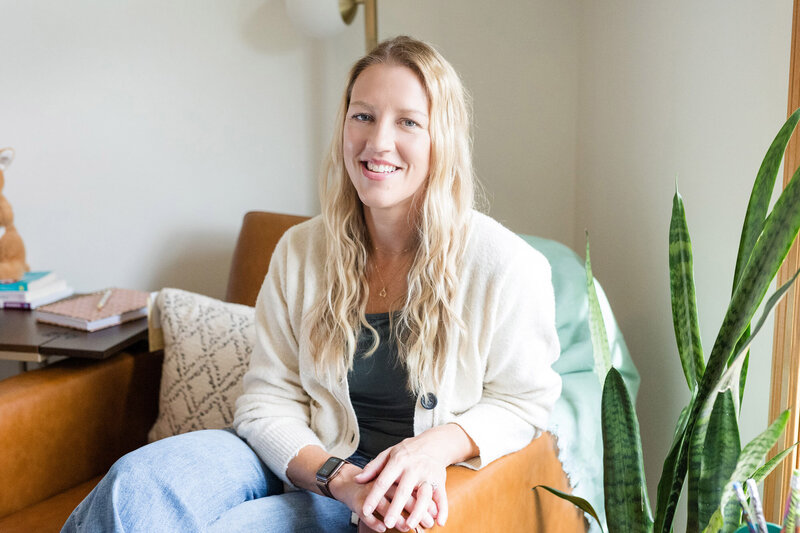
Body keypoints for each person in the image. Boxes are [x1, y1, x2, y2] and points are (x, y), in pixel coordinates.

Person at [62, 35, 561, 533]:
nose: (378, 142)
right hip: (301, 461)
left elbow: (526, 400)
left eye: (408, 122)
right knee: (134, 483)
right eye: (362, 115)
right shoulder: (299, 251)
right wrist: (336, 477)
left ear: (442, 138)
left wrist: (430, 448)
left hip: (382, 496)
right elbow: (266, 401)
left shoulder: (506, 265)